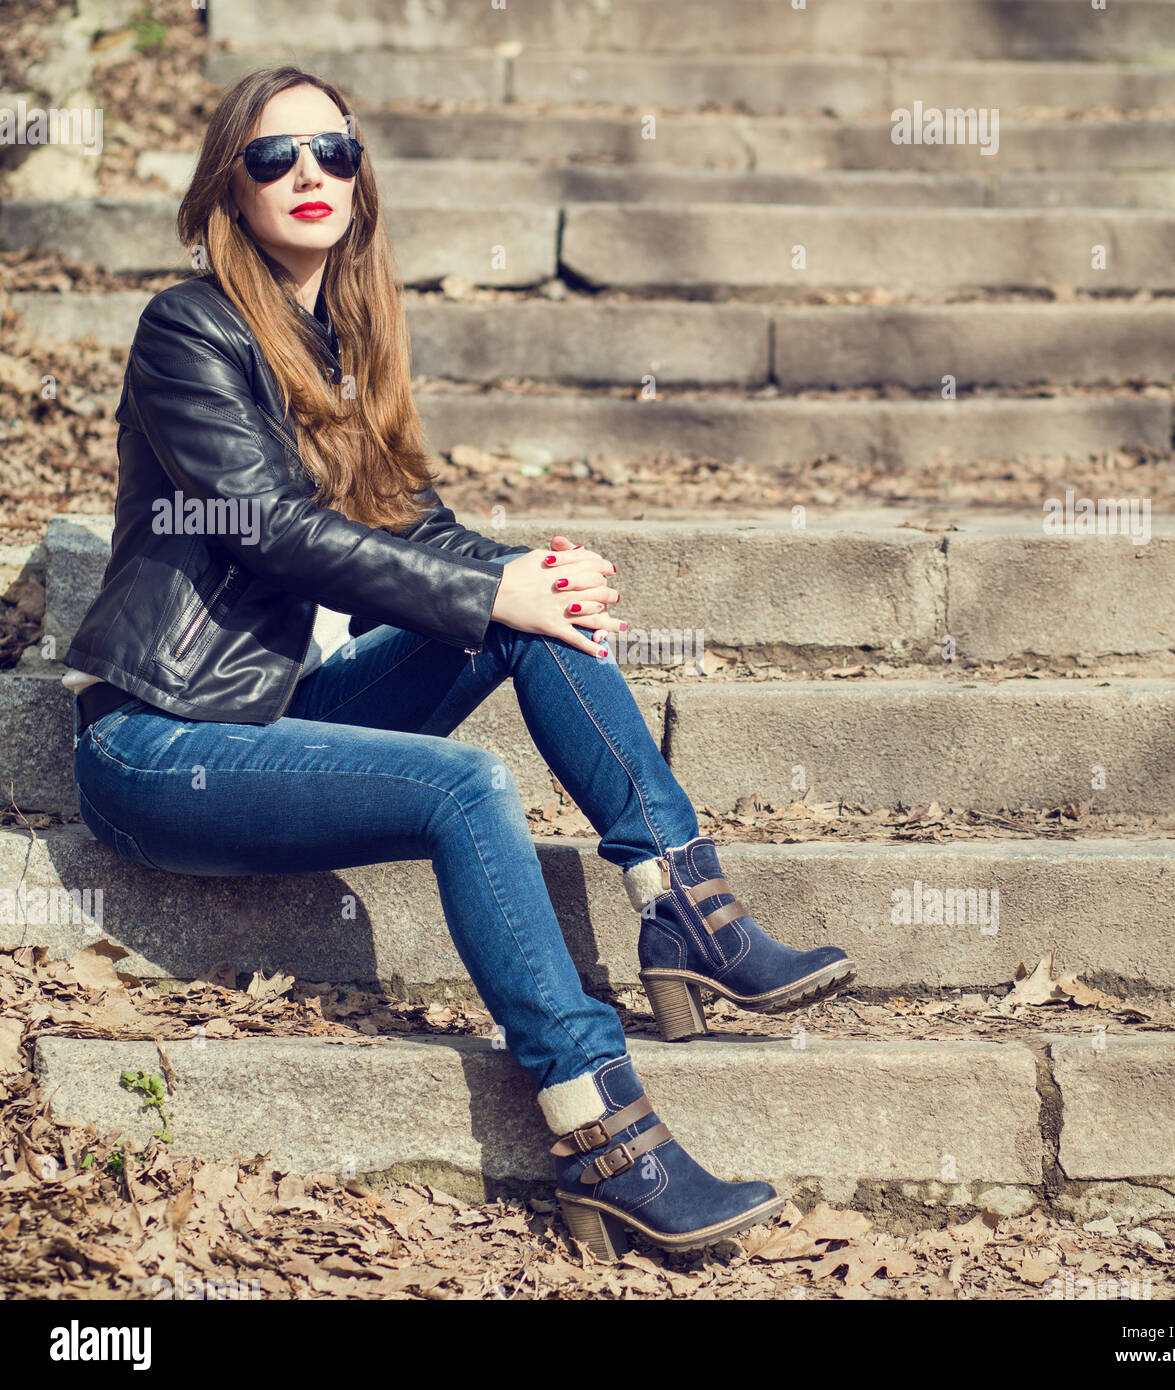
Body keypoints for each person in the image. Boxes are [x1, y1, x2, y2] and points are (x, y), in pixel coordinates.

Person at [61, 66, 857, 1258]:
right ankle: (599, 1130)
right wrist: (493, 586)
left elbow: (414, 528)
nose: (310, 175)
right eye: (274, 157)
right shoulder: (190, 328)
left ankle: (681, 901)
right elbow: (268, 527)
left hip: (276, 713)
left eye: (333, 150)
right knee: (465, 780)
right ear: (228, 180)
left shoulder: (345, 338)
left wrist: (530, 576)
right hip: (161, 740)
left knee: (534, 613)